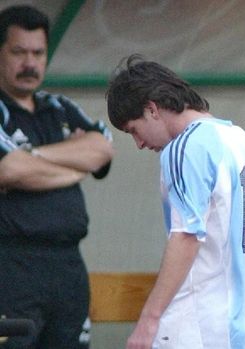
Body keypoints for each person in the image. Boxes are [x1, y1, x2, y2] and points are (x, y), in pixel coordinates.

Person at [106, 54, 245, 349]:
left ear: (152, 109)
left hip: (197, 328)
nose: (140, 143)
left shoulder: (185, 147)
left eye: (134, 129)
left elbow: (186, 236)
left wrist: (149, 320)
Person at [0, 5, 114, 349]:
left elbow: (104, 149)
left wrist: (32, 156)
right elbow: (8, 169)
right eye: (19, 52)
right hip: (13, 265)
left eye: (38, 53)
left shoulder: (60, 108)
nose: (30, 63)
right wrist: (74, 165)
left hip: (68, 266)